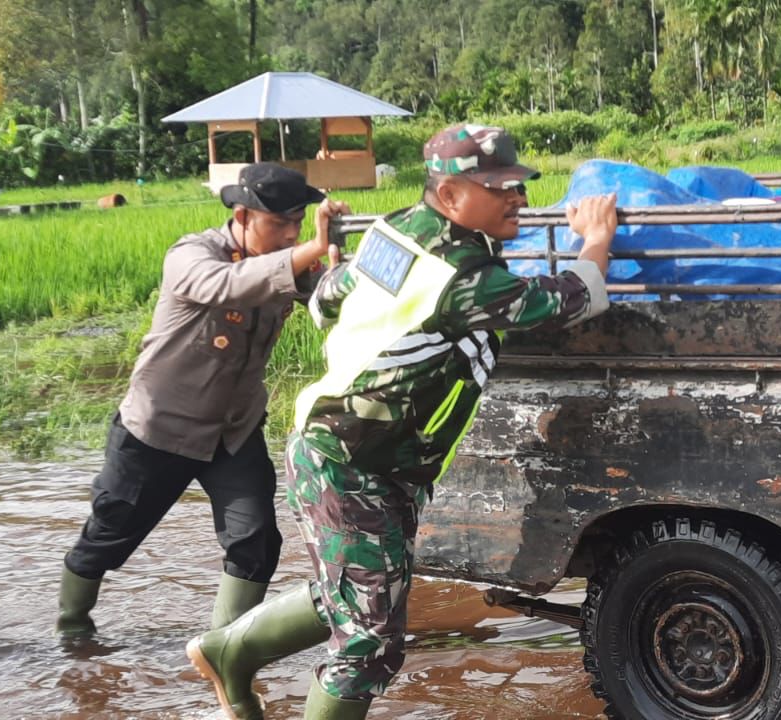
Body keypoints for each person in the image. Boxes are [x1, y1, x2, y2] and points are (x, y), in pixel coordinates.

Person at [186, 124, 619, 720]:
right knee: (368, 644)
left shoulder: (396, 229)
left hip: (367, 453)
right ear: (450, 197)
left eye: (518, 186)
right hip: (349, 461)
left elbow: (329, 297)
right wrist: (595, 240)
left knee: (368, 589)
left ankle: (227, 651)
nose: (516, 198)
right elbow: (574, 299)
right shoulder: (462, 278)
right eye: (498, 189)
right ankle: (230, 654)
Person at [56, 163, 349, 638]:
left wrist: (339, 256)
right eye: (280, 224)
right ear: (242, 215)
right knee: (110, 535)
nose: (290, 234)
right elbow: (228, 285)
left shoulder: (291, 259)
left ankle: (224, 648)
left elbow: (332, 300)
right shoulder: (192, 255)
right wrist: (311, 248)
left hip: (232, 432)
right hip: (158, 428)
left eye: (299, 223)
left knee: (256, 541)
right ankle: (72, 628)